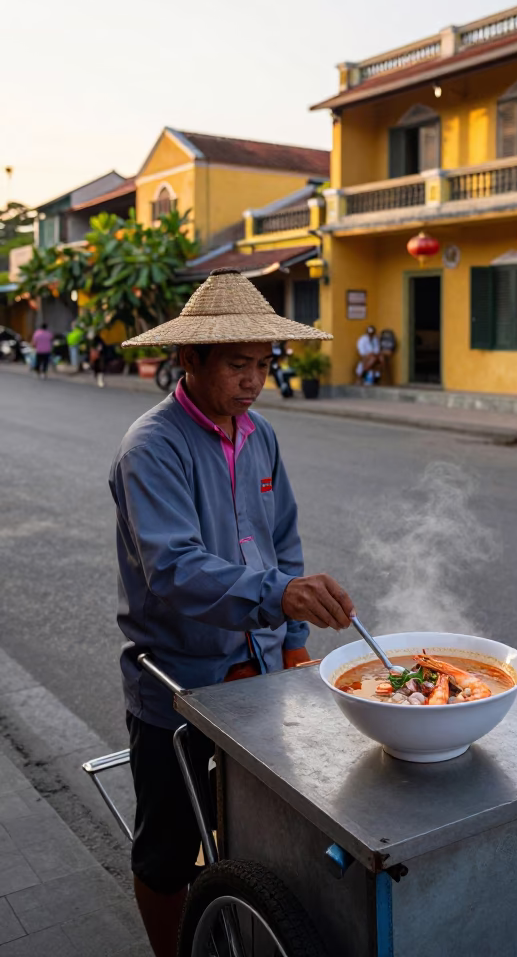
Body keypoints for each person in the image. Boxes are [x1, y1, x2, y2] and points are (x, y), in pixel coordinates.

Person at [110, 268, 354, 957]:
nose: (254, 382)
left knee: (254, 823)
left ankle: (236, 911)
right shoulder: (151, 448)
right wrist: (275, 597)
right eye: (239, 365)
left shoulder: (260, 436)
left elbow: (282, 542)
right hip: (179, 680)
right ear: (190, 361)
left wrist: (296, 635)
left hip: (263, 669)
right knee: (166, 848)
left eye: (265, 366)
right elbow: (175, 571)